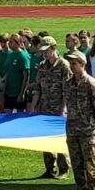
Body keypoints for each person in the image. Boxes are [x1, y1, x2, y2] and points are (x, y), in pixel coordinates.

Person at [63, 50, 95, 190]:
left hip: (88, 131)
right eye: (70, 63)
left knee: (90, 165)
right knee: (76, 165)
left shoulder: (91, 84)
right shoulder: (69, 83)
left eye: (74, 63)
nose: (72, 66)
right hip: (73, 130)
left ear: (82, 64)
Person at [31, 37, 70, 179]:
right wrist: (33, 106)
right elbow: (38, 88)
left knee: (60, 138)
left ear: (53, 48)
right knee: (46, 138)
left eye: (46, 51)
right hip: (45, 108)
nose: (44, 54)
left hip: (58, 108)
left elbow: (67, 90)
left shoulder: (64, 65)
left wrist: (63, 109)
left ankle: (64, 169)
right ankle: (49, 168)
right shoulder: (42, 66)